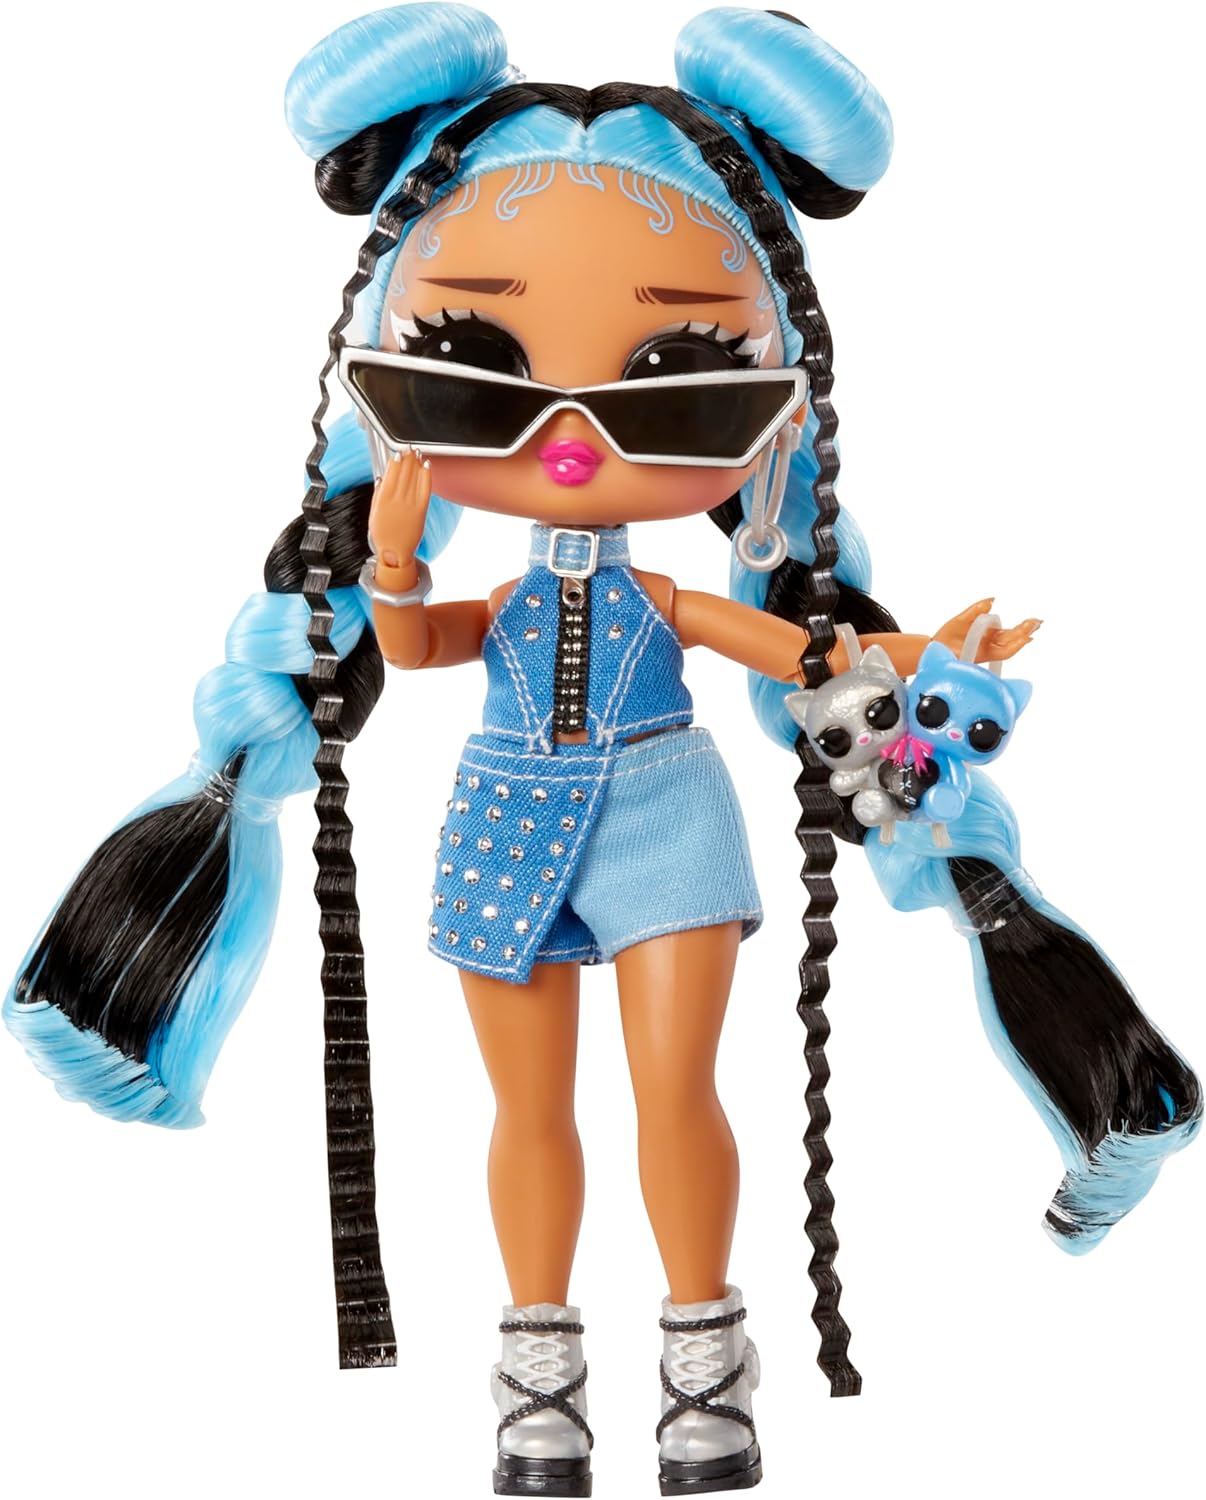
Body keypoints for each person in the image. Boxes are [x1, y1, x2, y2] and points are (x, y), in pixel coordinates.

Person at [5, 7, 1199, 1497]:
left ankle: (704, 1357)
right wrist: (389, 563)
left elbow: (797, 652)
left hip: (664, 811)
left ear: (773, 410)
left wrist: (895, 673)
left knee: (674, 1091)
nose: (571, 439)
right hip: (502, 813)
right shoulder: (509, 598)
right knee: (529, 1108)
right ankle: (538, 1372)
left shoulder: (667, 596)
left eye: (684, 368)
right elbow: (415, 647)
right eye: (464, 363)